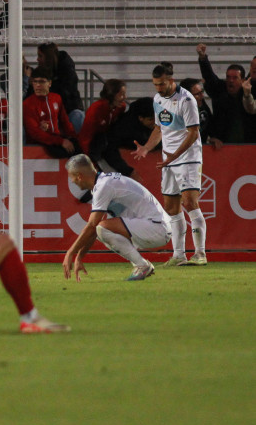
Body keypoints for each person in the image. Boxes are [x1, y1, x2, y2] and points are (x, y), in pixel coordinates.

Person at [132, 62, 207, 267]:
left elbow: (193, 133)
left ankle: (200, 254)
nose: (158, 88)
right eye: (155, 84)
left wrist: (174, 156)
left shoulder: (186, 100)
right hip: (169, 159)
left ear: (171, 80)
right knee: (171, 207)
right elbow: (159, 128)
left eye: (162, 84)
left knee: (190, 203)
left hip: (187, 157)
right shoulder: (158, 99)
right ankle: (179, 254)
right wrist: (147, 148)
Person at [63, 154, 171, 282]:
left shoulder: (104, 186)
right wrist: (79, 256)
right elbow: (93, 230)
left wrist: (70, 252)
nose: (72, 181)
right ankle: (141, 265)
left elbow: (92, 226)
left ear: (79, 176)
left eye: (72, 177)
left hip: (156, 228)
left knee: (102, 228)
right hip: (157, 226)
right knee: (101, 229)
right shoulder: (102, 184)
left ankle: (142, 265)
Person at [77, 79, 139, 180]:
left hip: (108, 141)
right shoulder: (96, 109)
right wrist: (90, 161)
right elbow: (86, 136)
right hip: (94, 143)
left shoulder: (121, 107)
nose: (125, 97)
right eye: (121, 94)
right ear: (111, 94)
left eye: (125, 94)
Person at [196, 44, 252, 143]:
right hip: (222, 144)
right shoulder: (220, 90)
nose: (230, 81)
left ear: (243, 80)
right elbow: (209, 76)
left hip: (248, 144)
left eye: (235, 78)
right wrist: (203, 58)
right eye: (228, 77)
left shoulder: (248, 93)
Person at [22, 67, 79, 158]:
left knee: (80, 147)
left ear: (50, 83)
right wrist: (61, 141)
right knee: (64, 153)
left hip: (56, 138)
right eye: (35, 82)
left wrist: (72, 137)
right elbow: (34, 133)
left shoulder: (56, 98)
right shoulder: (28, 104)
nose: (37, 85)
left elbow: (65, 122)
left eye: (41, 82)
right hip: (41, 142)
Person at [32, 43, 84, 134]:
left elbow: (66, 94)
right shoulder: (40, 72)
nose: (37, 59)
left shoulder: (67, 72)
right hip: (49, 113)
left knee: (77, 116)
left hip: (67, 111)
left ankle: (79, 146)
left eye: (40, 56)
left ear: (48, 58)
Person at [179, 78, 218, 149]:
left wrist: (214, 137)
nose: (202, 96)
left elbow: (210, 124)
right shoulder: (176, 113)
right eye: (197, 94)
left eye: (202, 92)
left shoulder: (203, 107)